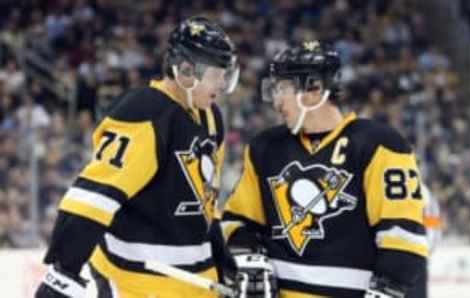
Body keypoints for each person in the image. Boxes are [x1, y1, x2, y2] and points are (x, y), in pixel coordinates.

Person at [35, 16, 239, 298]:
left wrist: (220, 257)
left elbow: (205, 200)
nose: (223, 83)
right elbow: (95, 197)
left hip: (197, 282)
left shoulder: (211, 116)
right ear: (186, 71)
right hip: (139, 281)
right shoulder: (143, 112)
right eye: (217, 74)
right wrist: (64, 270)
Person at [221, 41, 428, 297]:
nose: (275, 102)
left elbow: (404, 236)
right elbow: (237, 220)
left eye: (282, 89)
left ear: (313, 89)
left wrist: (388, 288)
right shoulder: (266, 147)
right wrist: (248, 256)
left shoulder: (379, 145)